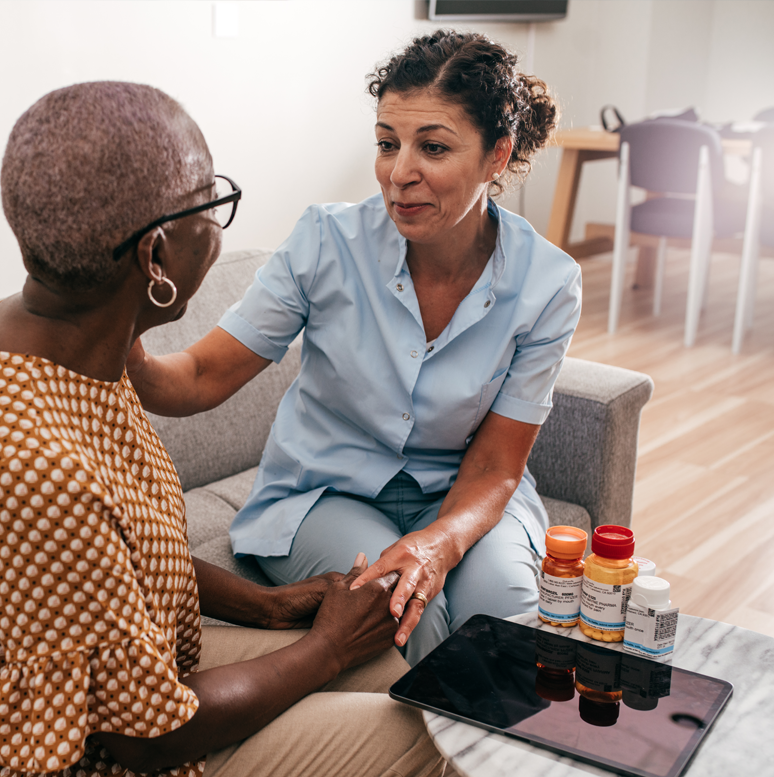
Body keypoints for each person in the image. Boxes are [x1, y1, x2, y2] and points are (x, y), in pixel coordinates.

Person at [0, 81, 445, 777]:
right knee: (424, 736)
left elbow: (111, 555)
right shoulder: (39, 470)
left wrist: (272, 607)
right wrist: (324, 650)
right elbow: (143, 739)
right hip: (14, 772)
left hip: (101, 684)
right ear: (157, 256)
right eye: (212, 200)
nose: (220, 222)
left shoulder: (45, 342)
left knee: (399, 668)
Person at [128, 30, 580, 666]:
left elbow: (496, 467)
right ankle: (431, 769)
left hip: (459, 490)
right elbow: (201, 374)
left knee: (504, 621)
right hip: (323, 495)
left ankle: (503, 766)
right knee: (401, 615)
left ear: (497, 155)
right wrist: (117, 333)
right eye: (387, 144)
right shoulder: (325, 241)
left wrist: (438, 542)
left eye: (433, 147)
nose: (400, 174)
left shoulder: (547, 283)